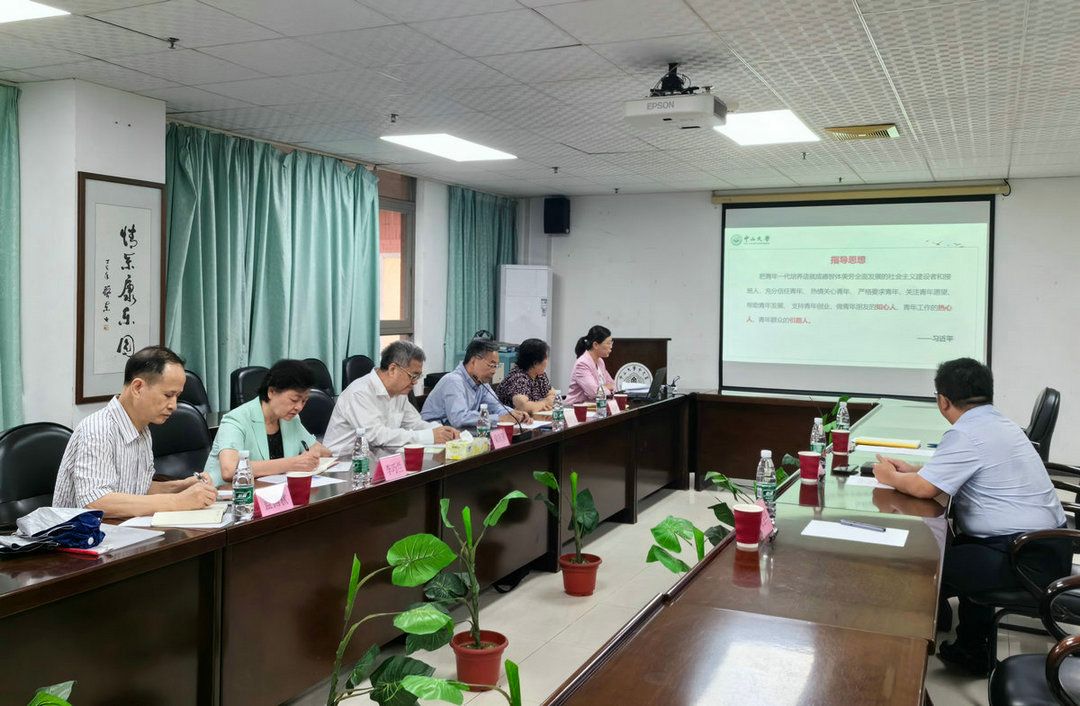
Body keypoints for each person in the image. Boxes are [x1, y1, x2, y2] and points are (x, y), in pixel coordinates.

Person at [873, 358, 1068, 675]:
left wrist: (889, 476)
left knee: (920, 566)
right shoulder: (998, 423)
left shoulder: (966, 433)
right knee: (956, 544)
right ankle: (970, 648)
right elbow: (953, 473)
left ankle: (903, 666)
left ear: (943, 400)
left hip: (1023, 558)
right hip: (1046, 548)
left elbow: (924, 489)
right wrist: (917, 470)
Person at [52, 346, 218, 517]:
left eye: (177, 396)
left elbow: (138, 490)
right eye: (168, 395)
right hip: (80, 533)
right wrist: (178, 501)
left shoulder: (142, 429)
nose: (173, 406)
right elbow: (96, 502)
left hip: (123, 529)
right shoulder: (98, 429)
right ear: (138, 387)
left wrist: (180, 487)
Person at [205, 359, 331, 484]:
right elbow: (230, 469)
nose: (299, 407)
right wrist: (293, 463)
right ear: (271, 392)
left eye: (304, 401)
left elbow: (323, 452)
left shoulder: (291, 419)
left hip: (271, 491)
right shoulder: (236, 419)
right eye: (294, 400)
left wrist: (314, 454)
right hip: (226, 493)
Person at [324, 341, 459, 456]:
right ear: (392, 369)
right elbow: (377, 436)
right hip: (342, 463)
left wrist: (442, 431)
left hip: (377, 458)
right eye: (413, 376)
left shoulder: (399, 392)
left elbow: (415, 424)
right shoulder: (359, 393)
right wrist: (430, 436)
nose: (415, 382)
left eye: (418, 377)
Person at [421, 339, 532, 429]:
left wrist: (514, 414)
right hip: (434, 434)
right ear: (474, 361)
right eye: (491, 365)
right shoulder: (454, 381)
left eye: (496, 366)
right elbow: (459, 418)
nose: (494, 371)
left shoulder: (482, 383)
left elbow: (497, 407)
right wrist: (499, 419)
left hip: (458, 433)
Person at [497, 338, 556, 414]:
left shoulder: (540, 376)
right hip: (512, 419)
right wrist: (544, 403)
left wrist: (541, 404)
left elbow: (553, 395)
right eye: (546, 358)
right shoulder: (518, 378)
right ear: (535, 363)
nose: (547, 361)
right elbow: (523, 407)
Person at [565, 325, 616, 405]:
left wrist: (606, 388)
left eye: (611, 343)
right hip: (576, 407)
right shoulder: (582, 363)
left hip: (594, 406)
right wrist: (607, 387)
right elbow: (594, 393)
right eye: (608, 343)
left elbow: (613, 385)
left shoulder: (600, 361)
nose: (611, 347)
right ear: (595, 345)